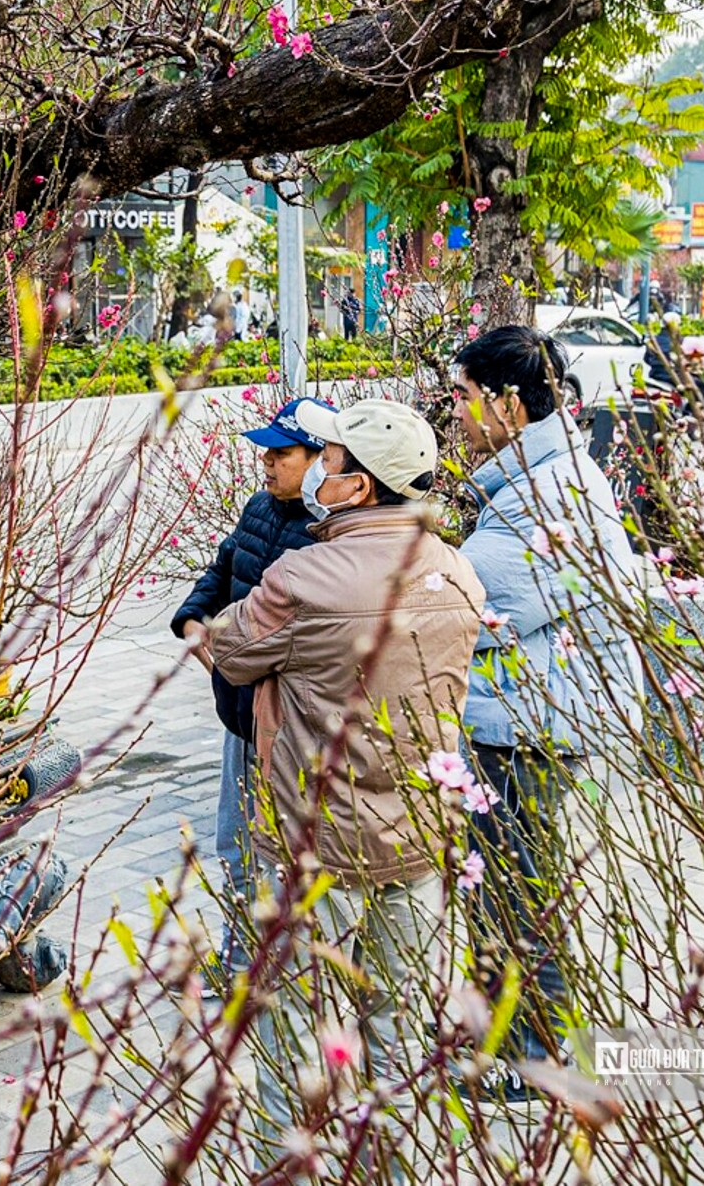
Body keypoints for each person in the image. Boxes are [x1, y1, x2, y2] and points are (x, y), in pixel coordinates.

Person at [208, 399, 485, 1123]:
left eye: (329, 461)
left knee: (297, 1028)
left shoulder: (306, 578)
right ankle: (398, 1158)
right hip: (420, 834)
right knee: (402, 1027)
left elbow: (231, 650)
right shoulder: (458, 572)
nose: (317, 471)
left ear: (358, 486)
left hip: (319, 837)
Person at [449, 325, 645, 1077]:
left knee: (517, 893)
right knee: (509, 887)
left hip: (533, 723)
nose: (456, 414)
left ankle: (536, 1053)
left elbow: (474, 599)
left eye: (464, 397)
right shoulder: (539, 475)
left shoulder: (548, 489)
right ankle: (512, 1041)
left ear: (506, 405)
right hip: (529, 714)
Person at [172, 398, 329, 972]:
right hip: (238, 715)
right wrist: (193, 620)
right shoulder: (260, 507)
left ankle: (282, 969)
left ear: (321, 460)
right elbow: (221, 569)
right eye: (266, 450)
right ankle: (238, 958)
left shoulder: (331, 534)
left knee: (282, 855)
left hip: (288, 729)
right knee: (234, 846)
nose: (267, 462)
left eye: (282, 452)